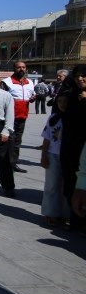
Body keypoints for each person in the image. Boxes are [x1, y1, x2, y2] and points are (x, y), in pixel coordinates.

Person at [59, 65, 86, 232]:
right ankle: (76, 219)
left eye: (84, 76)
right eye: (77, 76)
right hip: (71, 146)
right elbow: (60, 109)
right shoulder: (69, 94)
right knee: (70, 182)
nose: (80, 79)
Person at [0, 61, 35, 173]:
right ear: (14, 69)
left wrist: (32, 98)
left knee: (17, 141)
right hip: (10, 117)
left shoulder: (29, 82)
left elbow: (29, 96)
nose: (21, 69)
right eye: (18, 67)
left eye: (23, 67)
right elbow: (1, 98)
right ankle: (7, 163)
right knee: (10, 140)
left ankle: (13, 163)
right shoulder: (7, 82)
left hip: (23, 116)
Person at [40, 98, 69, 226]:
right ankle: (50, 213)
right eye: (60, 102)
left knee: (66, 186)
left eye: (66, 101)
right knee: (52, 185)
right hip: (53, 154)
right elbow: (46, 138)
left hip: (69, 156)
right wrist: (44, 156)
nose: (63, 104)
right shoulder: (53, 118)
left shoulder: (76, 117)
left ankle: (65, 214)